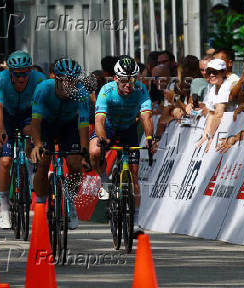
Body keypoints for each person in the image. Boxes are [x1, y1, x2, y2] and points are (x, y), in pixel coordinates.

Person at [89, 55, 155, 227]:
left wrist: (149, 138)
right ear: (116, 78)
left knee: (134, 176)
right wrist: (102, 138)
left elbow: (146, 117)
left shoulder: (140, 90)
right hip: (108, 128)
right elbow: (99, 121)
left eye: (133, 80)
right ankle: (104, 179)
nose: (129, 84)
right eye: (125, 80)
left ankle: (135, 219)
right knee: (94, 151)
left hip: (128, 129)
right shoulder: (106, 91)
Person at [30, 58, 90, 230]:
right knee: (43, 163)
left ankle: (70, 205)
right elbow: (35, 122)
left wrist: (84, 151)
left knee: (74, 164)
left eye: (72, 80)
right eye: (64, 80)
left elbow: (83, 124)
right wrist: (37, 144)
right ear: (55, 78)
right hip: (46, 125)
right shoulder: (43, 89)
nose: (68, 84)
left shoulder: (81, 93)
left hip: (68, 125)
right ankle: (41, 207)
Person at [0, 51, 46, 229]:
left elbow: (45, 106)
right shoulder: (0, 78)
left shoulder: (39, 79)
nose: (21, 78)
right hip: (5, 115)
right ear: (10, 72)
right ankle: (5, 209)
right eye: (17, 74)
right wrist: (0, 130)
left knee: (32, 139)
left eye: (24, 73)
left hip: (28, 115)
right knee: (5, 162)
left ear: (30, 70)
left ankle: (28, 173)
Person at [196, 59, 232, 153]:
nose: (211, 75)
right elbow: (211, 113)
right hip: (222, 129)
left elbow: (219, 114)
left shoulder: (226, 85)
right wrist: (206, 134)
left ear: (224, 72)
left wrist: (210, 135)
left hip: (231, 130)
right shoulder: (213, 87)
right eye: (209, 72)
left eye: (215, 72)